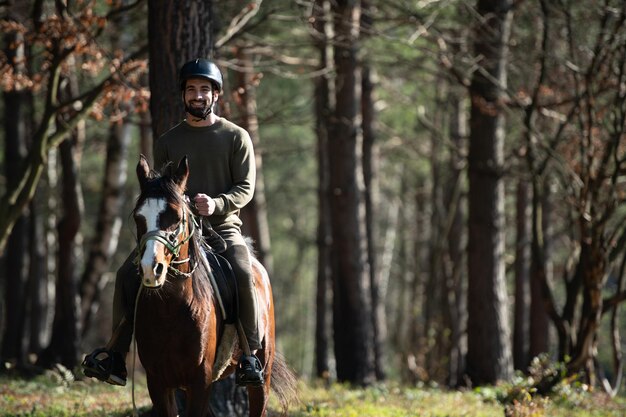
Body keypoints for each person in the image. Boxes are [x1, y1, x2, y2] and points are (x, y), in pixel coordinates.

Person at [82, 58, 264, 387]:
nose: (197, 96)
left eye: (204, 90)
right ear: (183, 95)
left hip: (222, 230)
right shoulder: (168, 141)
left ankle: (251, 355)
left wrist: (217, 203)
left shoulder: (236, 137)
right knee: (127, 273)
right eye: (191, 90)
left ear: (215, 95)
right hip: (173, 232)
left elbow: (246, 188)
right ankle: (115, 356)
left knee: (242, 273)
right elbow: (158, 186)